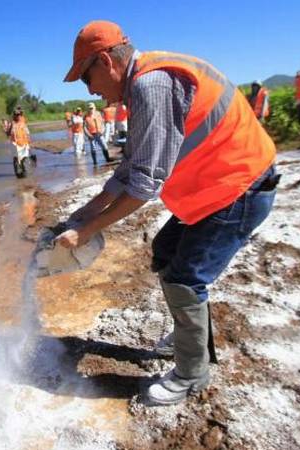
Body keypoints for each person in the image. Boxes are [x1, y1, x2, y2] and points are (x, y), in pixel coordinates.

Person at [59, 21, 278, 405]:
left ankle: (192, 373)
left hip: (239, 187)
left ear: (107, 61)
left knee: (184, 278)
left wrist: (87, 230)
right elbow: (131, 165)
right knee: (165, 252)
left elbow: (144, 185)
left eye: (87, 78)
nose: (90, 90)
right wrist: (87, 210)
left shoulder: (150, 85)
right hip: (217, 186)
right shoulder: (144, 81)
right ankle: (188, 336)